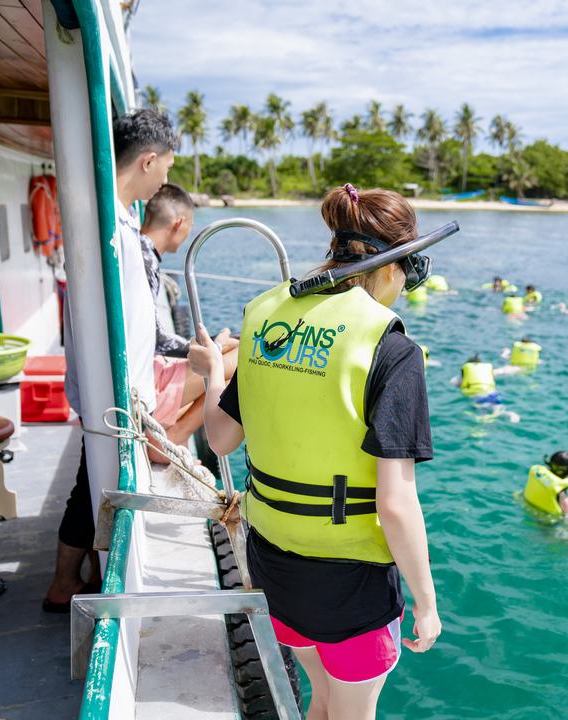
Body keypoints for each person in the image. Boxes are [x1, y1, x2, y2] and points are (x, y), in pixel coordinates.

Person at [190, 184, 442, 719]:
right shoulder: (391, 349)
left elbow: (220, 439)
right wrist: (426, 599)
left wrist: (216, 373)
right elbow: (395, 504)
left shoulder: (265, 318)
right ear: (396, 265)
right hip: (350, 584)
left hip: (274, 561)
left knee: (322, 701)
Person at [44, 109, 176, 613]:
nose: (165, 176)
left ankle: (72, 582)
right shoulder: (110, 230)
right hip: (110, 398)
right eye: (164, 165)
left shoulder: (116, 222)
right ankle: (73, 587)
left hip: (119, 395)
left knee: (91, 487)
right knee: (92, 492)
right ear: (147, 161)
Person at [137, 183, 238, 459]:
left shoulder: (137, 249)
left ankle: (175, 429)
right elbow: (156, 338)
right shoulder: (143, 257)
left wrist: (211, 346)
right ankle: (176, 436)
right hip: (146, 379)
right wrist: (210, 348)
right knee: (245, 356)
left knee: (227, 349)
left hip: (146, 368)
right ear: (179, 224)